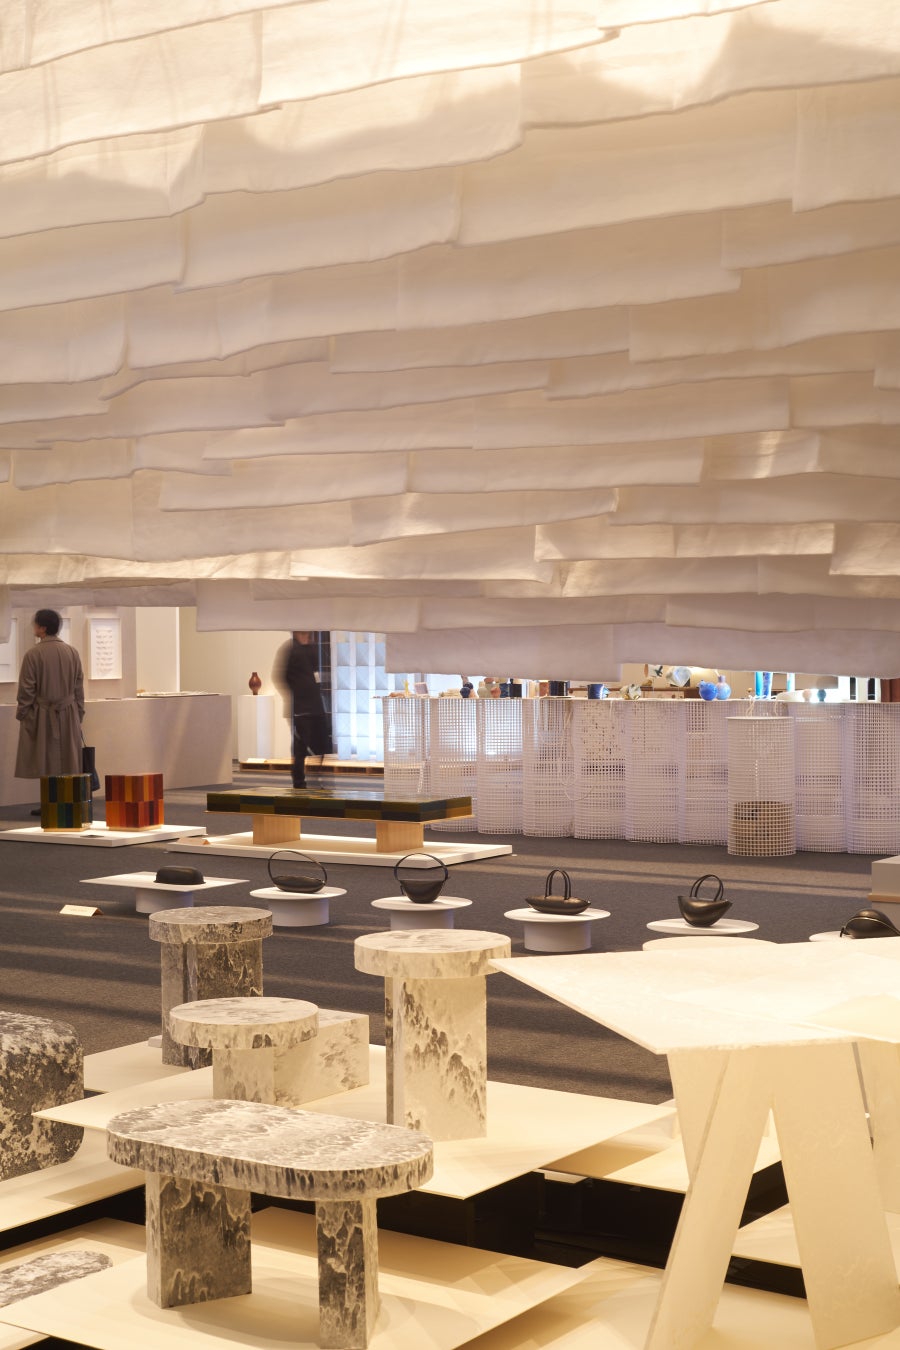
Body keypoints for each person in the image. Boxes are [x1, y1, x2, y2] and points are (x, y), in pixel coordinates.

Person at [15, 609, 85, 779]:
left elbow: (26, 690)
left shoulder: (33, 654)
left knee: (45, 763)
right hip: (69, 715)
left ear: (43, 628)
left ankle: (50, 796)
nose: (33, 626)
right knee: (68, 764)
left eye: (35, 624)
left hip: (43, 715)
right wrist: (78, 714)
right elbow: (78, 689)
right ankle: (62, 796)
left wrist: (23, 714)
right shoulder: (72, 652)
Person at [272, 631, 332, 789]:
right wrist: (295, 695)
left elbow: (316, 674)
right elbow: (280, 677)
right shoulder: (290, 649)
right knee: (300, 748)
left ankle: (316, 779)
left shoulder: (312, 648)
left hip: (316, 707)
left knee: (321, 744)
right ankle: (299, 782)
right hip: (299, 709)